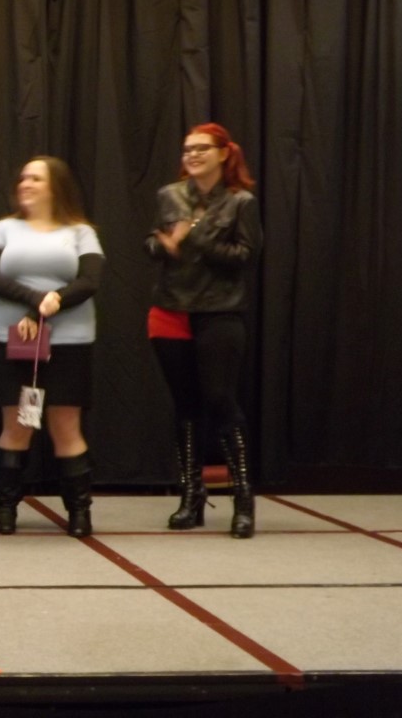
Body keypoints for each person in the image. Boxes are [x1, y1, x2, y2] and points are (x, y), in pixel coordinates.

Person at [144, 122, 262, 538]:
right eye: (187, 149)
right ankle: (191, 497)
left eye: (201, 148)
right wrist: (164, 244)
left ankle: (243, 500)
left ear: (224, 153)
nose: (192, 155)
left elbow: (246, 256)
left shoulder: (240, 202)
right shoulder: (169, 195)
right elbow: (151, 244)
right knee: (185, 405)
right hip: (170, 310)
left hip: (220, 312)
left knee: (220, 399)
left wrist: (195, 239)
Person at [0, 156, 104, 536]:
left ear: (56, 187)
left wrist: (53, 304)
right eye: (23, 178)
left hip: (69, 340)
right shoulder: (4, 228)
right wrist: (37, 300)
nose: (26, 184)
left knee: (65, 425)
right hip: (12, 339)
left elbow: (89, 281)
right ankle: (5, 509)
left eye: (36, 178)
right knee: (18, 423)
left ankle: (79, 512)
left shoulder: (81, 232)